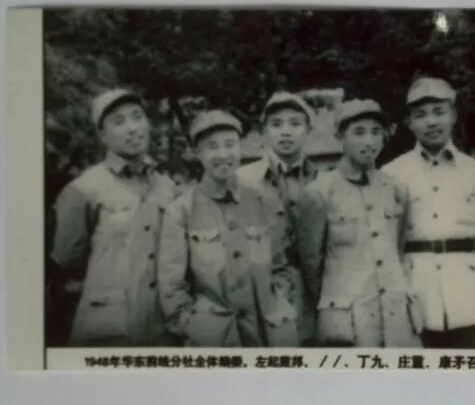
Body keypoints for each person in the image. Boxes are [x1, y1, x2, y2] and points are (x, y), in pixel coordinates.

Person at [158, 109, 298, 347]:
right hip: (216, 342)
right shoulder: (181, 211)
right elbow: (172, 288)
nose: (223, 154)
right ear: (197, 152)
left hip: (268, 335)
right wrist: (195, 327)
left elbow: (281, 266)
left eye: (230, 144)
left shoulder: (263, 199)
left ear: (240, 147)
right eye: (212, 147)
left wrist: (280, 303)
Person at [381, 77, 475, 348]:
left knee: (467, 364)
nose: (431, 122)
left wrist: (474, 264)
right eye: (420, 115)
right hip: (415, 287)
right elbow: (386, 237)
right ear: (409, 122)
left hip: (466, 289)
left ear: (453, 115)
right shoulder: (391, 173)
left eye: (439, 112)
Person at [50, 88, 176, 346]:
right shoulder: (84, 189)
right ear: (102, 135)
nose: (132, 128)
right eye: (118, 122)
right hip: (107, 330)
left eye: (137, 117)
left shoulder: (167, 187)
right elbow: (66, 261)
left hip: (162, 329)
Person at [296, 99, 422, 347]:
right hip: (349, 321)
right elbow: (312, 265)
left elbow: (397, 248)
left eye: (376, 132)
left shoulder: (396, 189)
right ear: (340, 136)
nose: (369, 141)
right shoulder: (319, 192)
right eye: (359, 132)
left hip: (396, 317)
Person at [237, 92, 318, 345]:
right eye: (276, 124)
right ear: (264, 132)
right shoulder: (242, 181)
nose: (285, 132)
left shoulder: (323, 181)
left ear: (308, 130)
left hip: (313, 292)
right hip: (262, 291)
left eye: (295, 124)